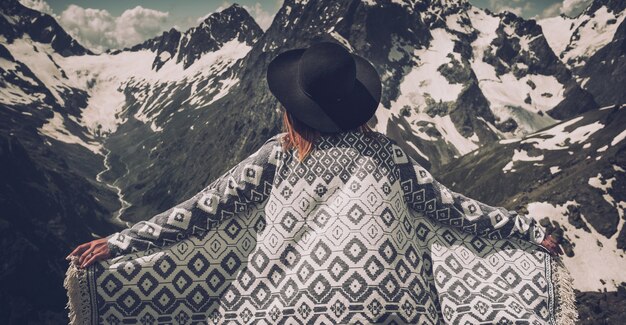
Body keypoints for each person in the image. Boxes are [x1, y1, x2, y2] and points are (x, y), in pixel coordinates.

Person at [66, 41, 565, 324]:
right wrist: (526, 233)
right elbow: (454, 210)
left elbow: (202, 210)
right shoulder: (389, 156)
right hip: (394, 312)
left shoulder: (278, 156)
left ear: (294, 109)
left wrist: (120, 243)